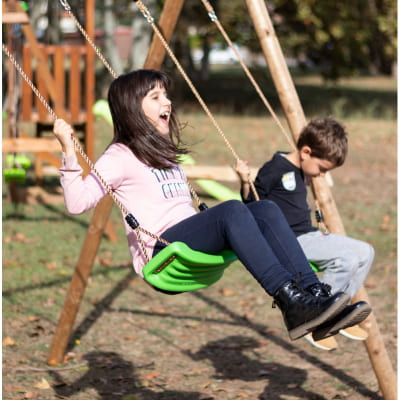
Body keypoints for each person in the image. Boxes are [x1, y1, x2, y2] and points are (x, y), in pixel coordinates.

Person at [53, 69, 370, 343]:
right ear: (131, 108)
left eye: (166, 95)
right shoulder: (120, 156)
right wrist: (68, 151)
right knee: (232, 209)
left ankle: (315, 296)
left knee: (266, 209)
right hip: (164, 252)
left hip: (190, 240)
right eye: (155, 97)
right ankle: (290, 301)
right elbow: (77, 202)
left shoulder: (163, 153)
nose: (167, 103)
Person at [235, 118, 374, 350]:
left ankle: (338, 312)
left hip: (309, 234)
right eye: (321, 169)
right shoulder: (275, 169)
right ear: (306, 152)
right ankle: (316, 311)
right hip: (290, 240)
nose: (320, 175)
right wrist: (244, 180)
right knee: (346, 259)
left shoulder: (301, 168)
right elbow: (252, 203)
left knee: (366, 251)